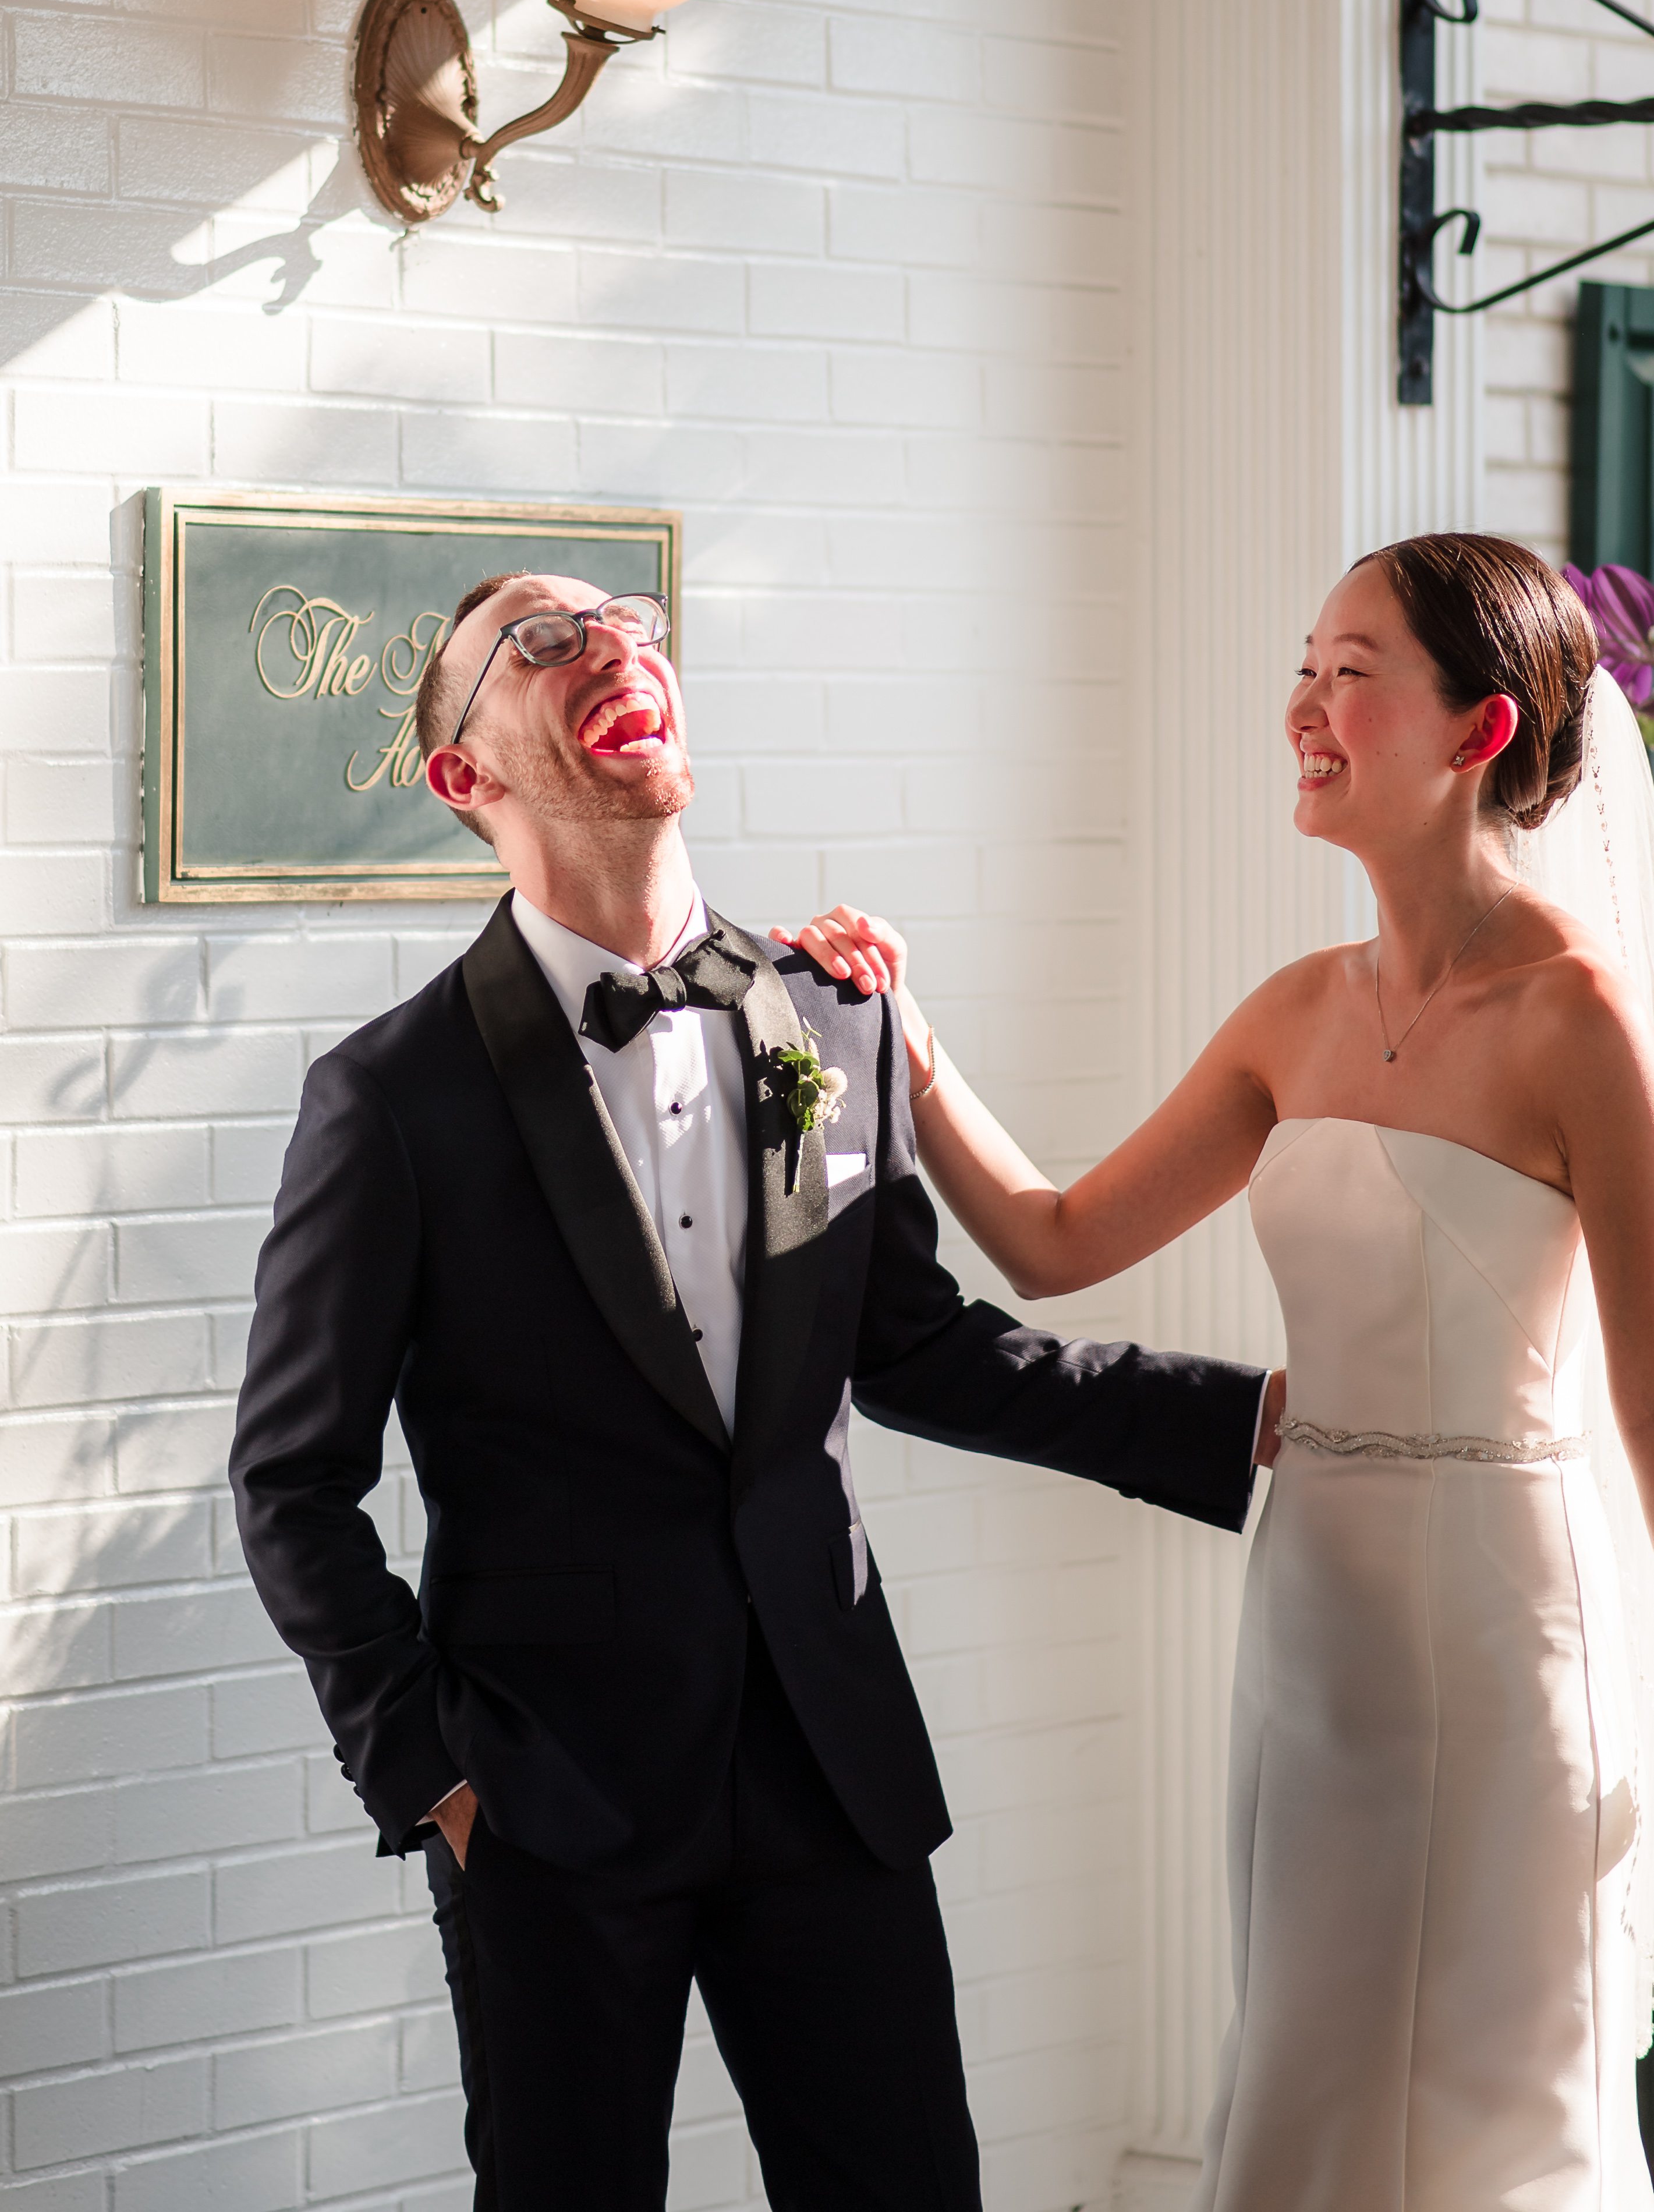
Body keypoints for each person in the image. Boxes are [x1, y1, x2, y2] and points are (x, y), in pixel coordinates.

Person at [228, 568, 1279, 2212]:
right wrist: (431, 1773)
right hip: (549, 1795)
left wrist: (1259, 1420)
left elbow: (922, 1349)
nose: (614, 647)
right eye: (545, 641)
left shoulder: (830, 1015)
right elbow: (291, 1479)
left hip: (829, 1758)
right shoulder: (390, 1097)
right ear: (464, 777)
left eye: (630, 621)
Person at [780, 534, 1654, 2210]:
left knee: (1491, 2067)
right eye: (1300, 668)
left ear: (1477, 733)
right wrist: (911, 1039)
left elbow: (1651, 1398)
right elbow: (1045, 1239)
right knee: (1304, 2052)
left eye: (1351, 674)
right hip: (1311, 1595)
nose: (1302, 711)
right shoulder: (1291, 1014)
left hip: (1506, 1615)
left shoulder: (1578, 1019)